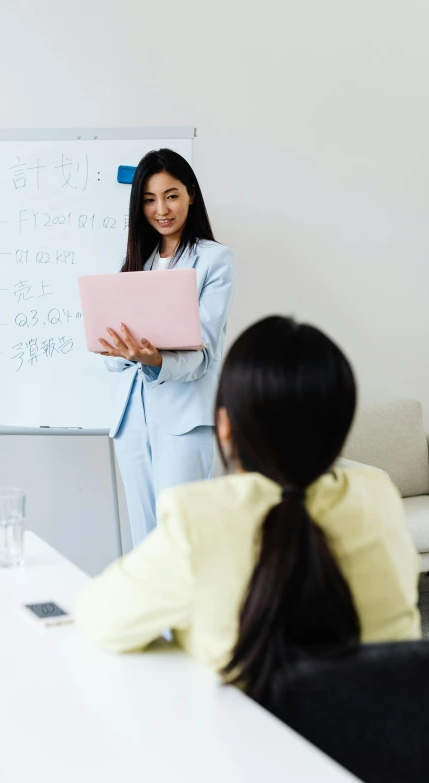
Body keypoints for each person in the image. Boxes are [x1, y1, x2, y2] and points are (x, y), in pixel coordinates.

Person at [76, 316, 421, 700]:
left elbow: (99, 618)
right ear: (340, 427)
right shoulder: (378, 496)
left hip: (250, 754)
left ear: (224, 424)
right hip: (385, 745)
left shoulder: (198, 517)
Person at [99, 149, 236, 546]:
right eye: (149, 199)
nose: (161, 209)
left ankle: (190, 611)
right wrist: (119, 352)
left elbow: (203, 355)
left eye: (171, 195)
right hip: (131, 420)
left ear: (191, 194)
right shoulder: (131, 264)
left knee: (180, 541)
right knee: (144, 543)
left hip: (183, 419)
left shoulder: (215, 260)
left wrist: (154, 360)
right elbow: (113, 359)